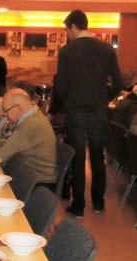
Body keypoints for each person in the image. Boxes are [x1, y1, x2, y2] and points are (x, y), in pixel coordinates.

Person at [55, 9, 123, 218]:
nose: (67, 34)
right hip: (98, 110)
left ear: (74, 27)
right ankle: (98, 203)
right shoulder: (106, 49)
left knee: (77, 156)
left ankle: (78, 206)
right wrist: (104, 96)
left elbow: (61, 85)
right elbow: (119, 84)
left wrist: (65, 104)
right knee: (96, 156)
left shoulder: (67, 52)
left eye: (67, 30)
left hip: (75, 109)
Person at [0, 88, 57, 183]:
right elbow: (16, 145)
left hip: (37, 182)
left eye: (6, 111)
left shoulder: (30, 124)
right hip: (31, 175)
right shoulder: (34, 118)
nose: (4, 115)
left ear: (18, 108)